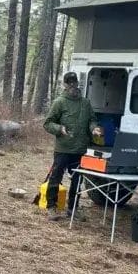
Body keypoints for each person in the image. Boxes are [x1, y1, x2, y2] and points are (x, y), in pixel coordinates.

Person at [43, 71, 103, 221]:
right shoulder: (59, 102)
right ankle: (51, 207)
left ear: (77, 84)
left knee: (77, 179)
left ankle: (73, 208)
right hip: (63, 148)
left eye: (74, 83)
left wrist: (94, 128)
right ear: (65, 84)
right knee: (56, 177)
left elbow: (92, 120)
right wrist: (59, 129)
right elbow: (48, 123)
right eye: (69, 83)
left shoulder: (85, 103)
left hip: (80, 148)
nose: (72, 86)